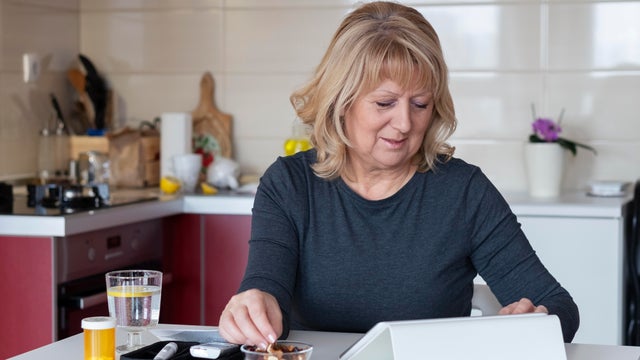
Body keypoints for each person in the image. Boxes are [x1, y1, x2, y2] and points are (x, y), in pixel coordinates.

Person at [219, 0, 579, 348]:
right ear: (341, 101)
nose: (406, 123)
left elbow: (558, 305)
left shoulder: (464, 192)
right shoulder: (289, 185)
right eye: (385, 103)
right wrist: (253, 306)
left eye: (420, 104)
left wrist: (537, 317)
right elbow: (267, 288)